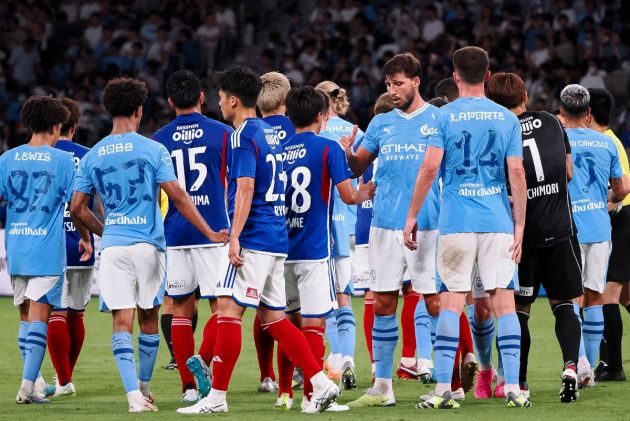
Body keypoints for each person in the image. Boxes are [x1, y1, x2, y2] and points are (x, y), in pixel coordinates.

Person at [177, 66, 339, 414]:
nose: (219, 102)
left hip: (253, 236)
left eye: (221, 97)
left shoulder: (243, 135)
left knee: (228, 312)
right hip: (277, 237)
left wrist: (234, 237)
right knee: (275, 319)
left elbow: (246, 187)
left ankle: (217, 398)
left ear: (233, 100)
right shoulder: (269, 133)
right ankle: (321, 383)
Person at [70, 77, 228, 412]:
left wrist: (104, 232)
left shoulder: (93, 154)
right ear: (140, 110)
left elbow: (76, 208)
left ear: (107, 110)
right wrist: (211, 232)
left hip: (114, 247)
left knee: (121, 322)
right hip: (149, 247)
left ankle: (134, 397)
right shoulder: (152, 149)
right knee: (149, 319)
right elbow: (179, 198)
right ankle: (144, 386)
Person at [403, 46, 530, 409]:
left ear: (455, 76)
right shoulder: (506, 118)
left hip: (456, 221)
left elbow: (429, 169)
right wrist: (519, 223)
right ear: (488, 76)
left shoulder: (443, 117)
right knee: (504, 300)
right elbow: (516, 172)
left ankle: (444, 389)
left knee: (452, 302)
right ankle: (514, 389)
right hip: (497, 222)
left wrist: (412, 215)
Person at [342, 53, 442, 407]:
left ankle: (446, 383)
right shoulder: (382, 123)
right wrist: (348, 155)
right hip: (384, 226)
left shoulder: (438, 119)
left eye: (398, 83)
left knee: (434, 302)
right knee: (383, 301)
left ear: (416, 81)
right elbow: (357, 167)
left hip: (427, 226)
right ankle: (382, 386)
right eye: (388, 84)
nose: (393, 90)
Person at [487, 72, 586, 402]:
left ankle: (521, 381)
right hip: (560, 230)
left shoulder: (500, 131)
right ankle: (571, 366)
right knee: (564, 305)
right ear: (524, 96)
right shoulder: (552, 121)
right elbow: (569, 173)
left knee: (520, 310)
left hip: (523, 238)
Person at [275, 85, 374, 411]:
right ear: (322, 116)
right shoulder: (328, 148)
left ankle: (286, 393)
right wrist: (367, 189)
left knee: (289, 320)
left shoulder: (278, 149)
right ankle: (312, 397)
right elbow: (348, 195)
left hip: (281, 248)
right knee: (314, 323)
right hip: (316, 248)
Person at [152, 69, 233, 403]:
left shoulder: (159, 138)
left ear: (170, 101)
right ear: (202, 97)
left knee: (181, 309)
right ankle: (202, 362)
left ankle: (187, 387)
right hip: (214, 230)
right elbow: (232, 183)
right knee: (223, 307)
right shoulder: (224, 133)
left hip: (176, 233)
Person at [1, 96, 89, 404]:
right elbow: (77, 208)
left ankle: (35, 383)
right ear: (56, 126)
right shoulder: (62, 160)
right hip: (45, 251)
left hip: (17, 248)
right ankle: (26, 388)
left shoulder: (7, 158)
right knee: (40, 318)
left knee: (26, 318)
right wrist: (93, 236)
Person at [560, 84, 628, 388]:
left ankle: (582, 365)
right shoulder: (608, 143)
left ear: (561, 112)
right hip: (600, 228)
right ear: (588, 113)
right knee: (595, 296)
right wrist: (603, 200)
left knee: (570, 298)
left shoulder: (557, 141)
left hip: (568, 229)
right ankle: (589, 372)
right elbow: (623, 188)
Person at [47, 98, 97, 397]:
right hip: (82, 242)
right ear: (74, 128)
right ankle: (64, 375)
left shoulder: (43, 155)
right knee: (76, 314)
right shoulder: (89, 156)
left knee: (55, 312)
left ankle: (63, 380)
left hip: (48, 242)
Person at [315, 80, 361, 388]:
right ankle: (348, 360)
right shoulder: (356, 133)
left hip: (319, 227)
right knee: (344, 296)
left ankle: (336, 360)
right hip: (348, 226)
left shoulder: (311, 133)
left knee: (323, 301)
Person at [253, 71, 296, 393]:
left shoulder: (250, 132)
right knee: (297, 311)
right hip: (302, 232)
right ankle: (301, 374)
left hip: (263, 231)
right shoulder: (300, 130)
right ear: (286, 99)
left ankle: (267, 375)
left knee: (262, 306)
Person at [588, 88, 630, 382]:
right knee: (627, 296)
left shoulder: (603, 143)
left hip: (621, 220)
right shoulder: (611, 140)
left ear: (587, 112)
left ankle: (612, 366)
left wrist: (599, 208)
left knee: (606, 296)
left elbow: (621, 188)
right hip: (625, 218)